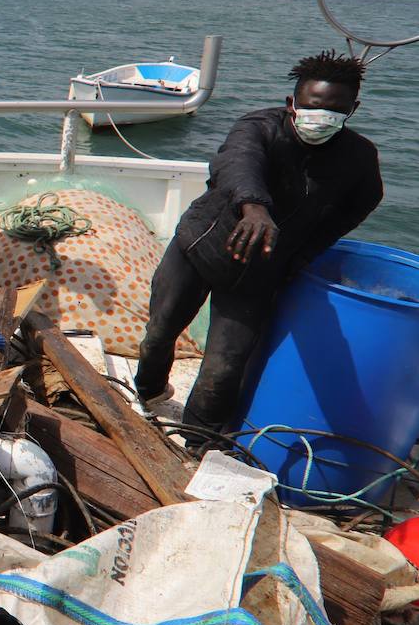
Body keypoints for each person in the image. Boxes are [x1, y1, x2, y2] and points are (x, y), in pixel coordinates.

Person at [135, 50, 383, 446]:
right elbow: (237, 163)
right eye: (313, 107)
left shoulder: (359, 157)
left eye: (336, 110)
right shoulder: (259, 127)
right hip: (200, 247)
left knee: (224, 368)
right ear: (292, 103)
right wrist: (254, 207)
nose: (322, 117)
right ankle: (148, 391)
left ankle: (197, 441)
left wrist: (305, 252)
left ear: (353, 109)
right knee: (159, 333)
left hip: (260, 272)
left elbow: (362, 203)